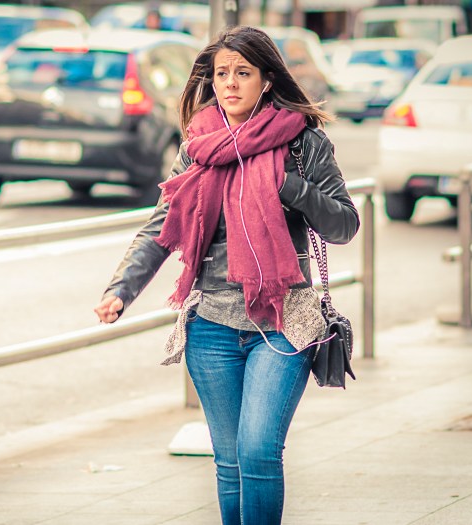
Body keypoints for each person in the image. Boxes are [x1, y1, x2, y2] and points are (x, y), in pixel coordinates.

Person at [94, 26, 359, 524]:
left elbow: (345, 224)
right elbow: (161, 227)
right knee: (230, 461)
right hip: (211, 328)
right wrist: (121, 289)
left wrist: (290, 187)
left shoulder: (303, 144)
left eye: (243, 72)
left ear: (266, 80)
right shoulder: (199, 146)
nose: (230, 83)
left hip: (282, 323)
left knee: (258, 451)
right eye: (221, 74)